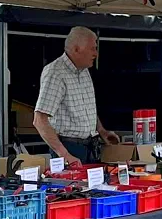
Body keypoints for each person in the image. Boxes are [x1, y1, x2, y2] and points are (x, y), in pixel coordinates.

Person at [33, 27, 119, 166]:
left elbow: (87, 107)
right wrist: (64, 154)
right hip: (69, 147)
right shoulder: (56, 72)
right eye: (92, 48)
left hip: (90, 146)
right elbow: (39, 120)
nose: (96, 54)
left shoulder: (84, 70)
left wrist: (101, 130)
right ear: (76, 49)